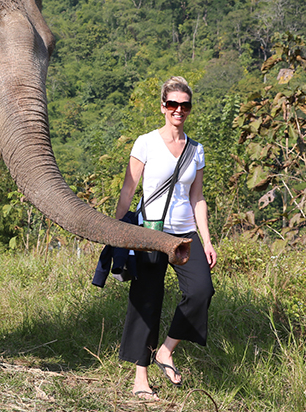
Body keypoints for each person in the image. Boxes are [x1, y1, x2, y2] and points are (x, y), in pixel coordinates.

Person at [115, 76, 217, 401]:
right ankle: (140, 379)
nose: (178, 110)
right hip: (150, 232)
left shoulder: (196, 150)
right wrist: (117, 230)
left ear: (189, 109)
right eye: (172, 104)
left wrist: (208, 239)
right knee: (147, 298)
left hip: (185, 233)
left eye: (184, 105)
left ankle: (166, 350)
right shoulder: (145, 142)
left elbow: (197, 198)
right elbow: (129, 189)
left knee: (201, 290)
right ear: (162, 106)